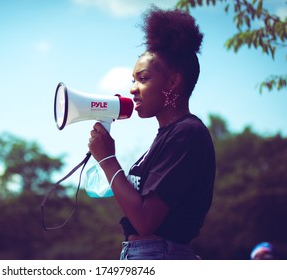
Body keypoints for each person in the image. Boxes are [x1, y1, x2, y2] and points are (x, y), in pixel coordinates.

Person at [88, 6, 216, 260]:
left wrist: (107, 160)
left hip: (159, 255)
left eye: (143, 78)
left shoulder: (187, 134)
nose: (133, 89)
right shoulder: (170, 135)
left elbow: (146, 221)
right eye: (133, 80)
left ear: (172, 82)